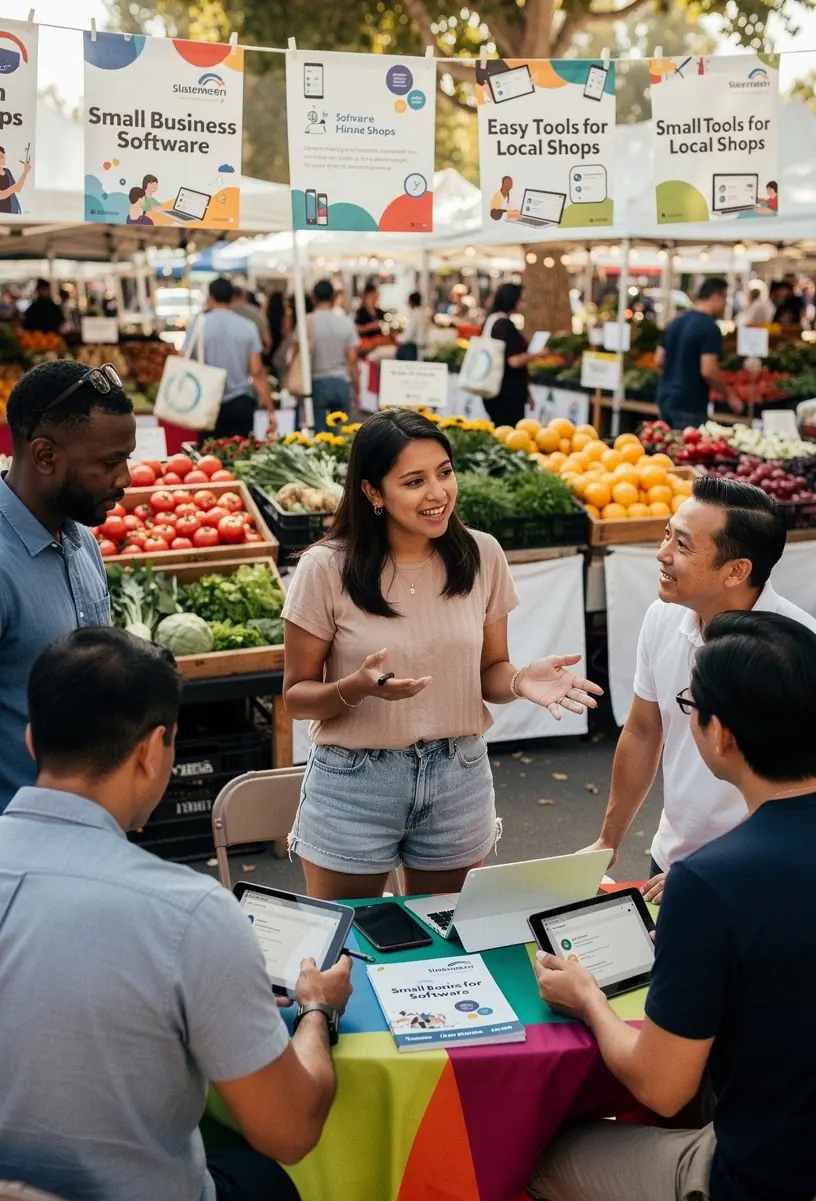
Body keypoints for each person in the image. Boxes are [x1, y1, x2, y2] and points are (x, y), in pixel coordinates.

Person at [0, 627, 353, 1201]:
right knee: (273, 1185)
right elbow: (290, 1131)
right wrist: (317, 1010)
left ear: (34, 740)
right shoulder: (187, 916)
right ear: (152, 749)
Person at [529, 610, 816, 1201]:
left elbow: (662, 1088)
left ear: (722, 734)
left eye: (690, 703)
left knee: (541, 1162)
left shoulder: (714, 880)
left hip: (771, 1194)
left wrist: (587, 999)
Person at [282, 410, 602, 900]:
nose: (437, 493)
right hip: (355, 783)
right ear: (373, 493)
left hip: (457, 778)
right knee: (349, 949)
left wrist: (520, 682)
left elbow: (491, 671)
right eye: (414, 481)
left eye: (444, 472)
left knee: (446, 946)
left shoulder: (482, 555)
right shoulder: (325, 568)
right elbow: (297, 698)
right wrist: (356, 688)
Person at [584, 475, 816, 902]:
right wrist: (608, 842)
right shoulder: (662, 616)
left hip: (763, 876)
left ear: (736, 571)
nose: (662, 554)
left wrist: (726, 868)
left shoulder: (799, 648)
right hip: (671, 861)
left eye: (683, 546)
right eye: (667, 534)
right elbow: (642, 730)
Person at [0, 361, 134, 812]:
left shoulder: (81, 542)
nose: (126, 480)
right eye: (110, 462)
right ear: (44, 456)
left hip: (84, 830)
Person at [184, 277, 276, 441]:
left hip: (207, 401)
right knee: (240, 456)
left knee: (208, 459)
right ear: (233, 298)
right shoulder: (248, 326)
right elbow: (256, 372)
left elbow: (185, 360)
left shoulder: (198, 325)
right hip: (240, 402)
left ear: (210, 297)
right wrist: (270, 408)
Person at [655, 278, 743, 429]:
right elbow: (708, 370)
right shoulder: (710, 328)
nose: (725, 304)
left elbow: (658, 360)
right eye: (725, 298)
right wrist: (729, 396)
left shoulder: (675, 322)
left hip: (665, 398)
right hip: (690, 403)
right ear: (716, 296)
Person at [293, 278, 358, 434]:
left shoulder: (307, 321)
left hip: (315, 382)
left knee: (319, 437)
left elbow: (296, 354)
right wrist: (357, 388)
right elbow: (352, 359)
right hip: (341, 382)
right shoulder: (345, 321)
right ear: (334, 296)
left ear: (313, 297)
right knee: (342, 435)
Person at [481, 283, 540, 429]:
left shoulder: (491, 320)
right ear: (512, 300)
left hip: (494, 390)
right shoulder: (505, 325)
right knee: (509, 435)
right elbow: (514, 361)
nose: (524, 304)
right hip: (507, 394)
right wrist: (537, 355)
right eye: (522, 300)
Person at [231, 285, 271, 353]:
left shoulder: (225, 312)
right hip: (252, 353)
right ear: (243, 295)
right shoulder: (255, 312)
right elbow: (267, 340)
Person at [396, 291, 427, 361]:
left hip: (415, 349)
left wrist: (397, 338)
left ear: (411, 302)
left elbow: (407, 337)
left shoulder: (415, 315)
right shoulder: (424, 313)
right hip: (421, 348)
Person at [0, 144, 31, 214]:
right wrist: (14, 188)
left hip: (11, 212)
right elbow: (1, 195)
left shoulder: (7, 172)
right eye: (1, 156)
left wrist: (25, 172)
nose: (3, 158)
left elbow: (18, 188)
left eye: (3, 156)